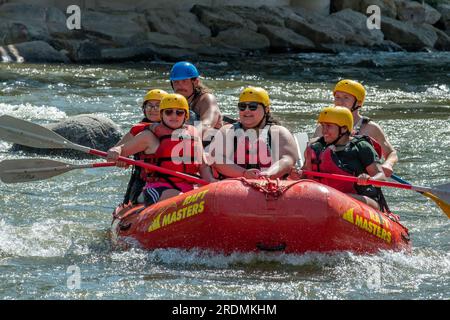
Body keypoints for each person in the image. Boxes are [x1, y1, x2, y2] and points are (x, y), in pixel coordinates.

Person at [107, 93, 214, 206]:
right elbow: (120, 149)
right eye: (169, 112)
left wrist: (211, 183)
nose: (174, 116)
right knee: (178, 197)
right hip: (159, 188)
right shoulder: (149, 136)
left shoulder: (193, 133)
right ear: (161, 114)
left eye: (179, 112)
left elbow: (203, 166)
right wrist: (117, 152)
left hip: (189, 187)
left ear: (185, 116)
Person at [303, 106, 390, 211]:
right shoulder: (316, 148)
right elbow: (305, 177)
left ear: (344, 128)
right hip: (324, 198)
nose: (324, 131)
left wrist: (370, 179)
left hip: (362, 199)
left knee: (332, 198)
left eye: (329, 126)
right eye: (323, 126)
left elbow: (381, 175)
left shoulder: (361, 147)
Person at [313, 79, 398, 177]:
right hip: (330, 179)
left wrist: (388, 164)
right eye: (337, 97)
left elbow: (391, 153)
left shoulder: (370, 128)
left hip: (361, 180)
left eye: (346, 98)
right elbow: (313, 151)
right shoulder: (323, 127)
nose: (340, 102)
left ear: (358, 103)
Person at [210, 87, 298, 180]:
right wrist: (243, 173)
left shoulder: (279, 132)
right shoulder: (227, 131)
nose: (246, 110)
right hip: (233, 187)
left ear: (266, 109)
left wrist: (269, 173)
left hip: (270, 186)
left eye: (253, 106)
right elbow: (216, 158)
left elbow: (287, 160)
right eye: (242, 107)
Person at [115, 89, 168, 205]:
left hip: (170, 180)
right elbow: (116, 150)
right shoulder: (138, 129)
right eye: (149, 106)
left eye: (158, 106)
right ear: (144, 109)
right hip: (143, 181)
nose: (153, 109)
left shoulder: (176, 128)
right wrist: (122, 157)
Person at [169, 61, 223, 143]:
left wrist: (184, 139)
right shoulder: (172, 101)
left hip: (209, 143)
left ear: (195, 82)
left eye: (184, 81)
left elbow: (207, 125)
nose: (180, 86)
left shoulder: (207, 99)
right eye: (176, 82)